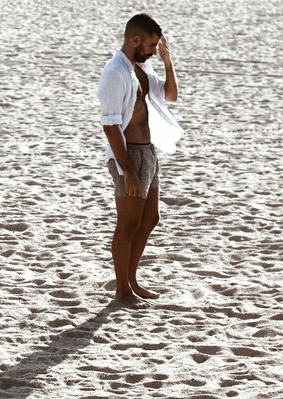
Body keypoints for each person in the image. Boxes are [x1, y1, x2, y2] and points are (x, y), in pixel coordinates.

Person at [97, 13, 183, 308]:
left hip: (148, 151)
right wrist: (128, 171)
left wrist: (167, 62)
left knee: (150, 218)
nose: (152, 51)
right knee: (128, 223)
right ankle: (122, 290)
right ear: (136, 40)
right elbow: (109, 126)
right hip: (128, 155)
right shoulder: (115, 73)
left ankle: (131, 281)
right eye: (150, 45)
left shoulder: (141, 70)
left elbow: (170, 95)